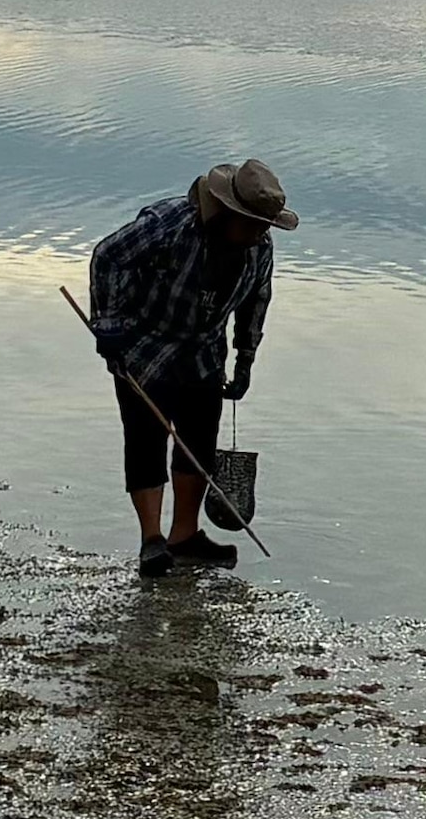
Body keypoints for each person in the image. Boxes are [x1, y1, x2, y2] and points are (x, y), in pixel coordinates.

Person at [84, 156, 293, 577]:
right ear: (229, 212)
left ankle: (184, 536)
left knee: (198, 442)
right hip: (145, 347)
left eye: (264, 225)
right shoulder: (168, 224)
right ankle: (151, 541)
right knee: (145, 439)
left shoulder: (258, 248)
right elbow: (107, 257)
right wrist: (108, 325)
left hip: (204, 352)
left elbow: (257, 301)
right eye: (252, 223)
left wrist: (245, 358)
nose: (260, 233)